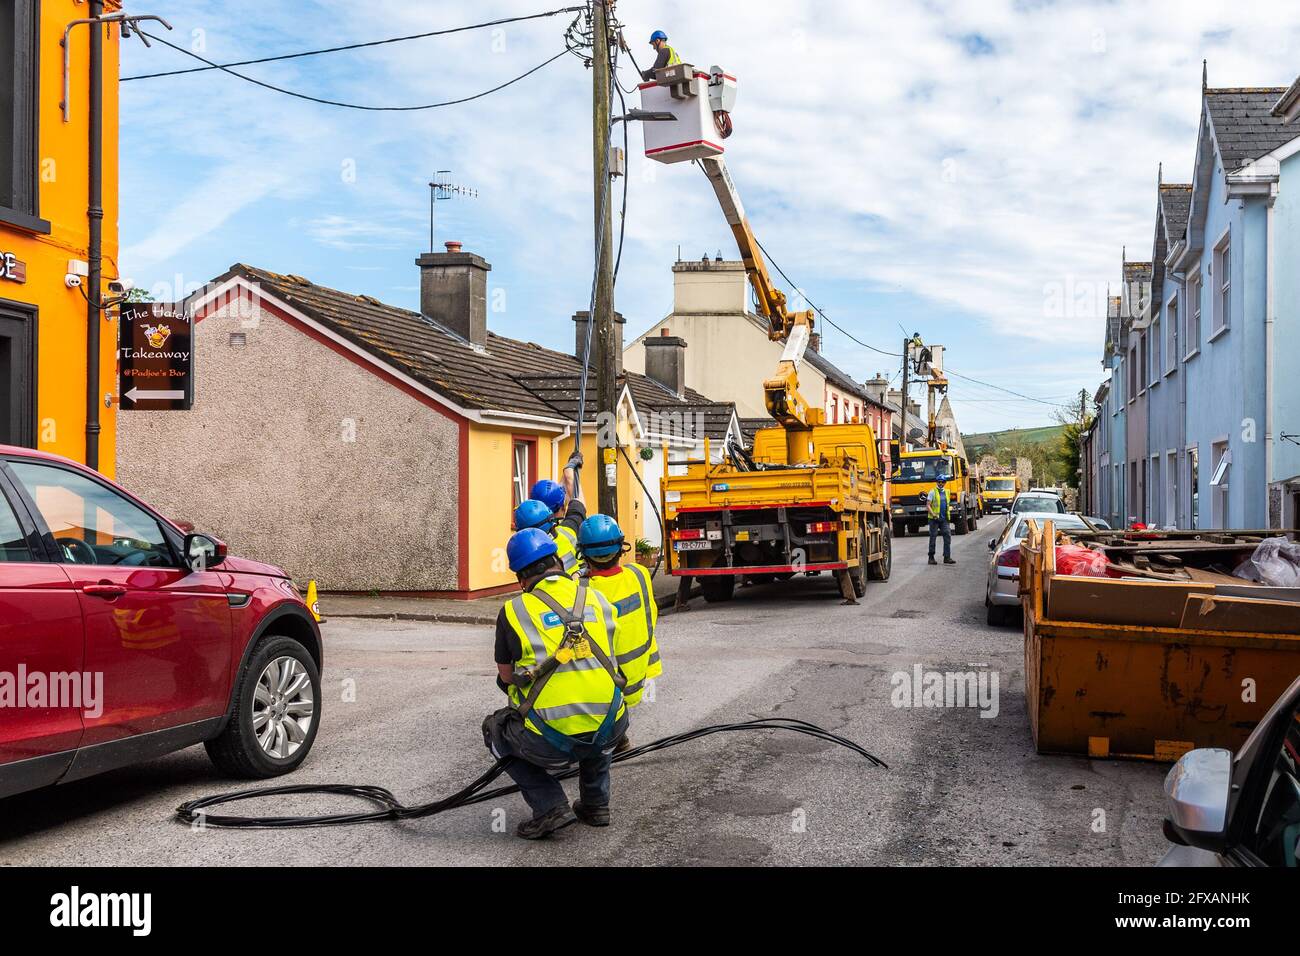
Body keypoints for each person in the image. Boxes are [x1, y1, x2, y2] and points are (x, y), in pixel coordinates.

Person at [485, 528, 629, 839]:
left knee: (495, 729)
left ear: (521, 577)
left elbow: (507, 677)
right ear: (557, 562)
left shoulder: (514, 610)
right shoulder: (597, 597)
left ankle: (550, 806)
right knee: (598, 719)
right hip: (612, 728)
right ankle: (595, 805)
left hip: (550, 742)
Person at [576, 514, 662, 753]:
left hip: (610, 677)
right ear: (620, 548)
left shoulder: (583, 591)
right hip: (640, 670)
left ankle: (610, 736)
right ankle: (619, 734)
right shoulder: (639, 574)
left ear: (583, 553)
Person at [514, 452, 585, 575]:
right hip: (573, 591)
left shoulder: (523, 548)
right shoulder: (567, 533)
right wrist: (569, 471)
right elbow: (578, 504)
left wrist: (568, 471)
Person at [927, 475, 956, 566]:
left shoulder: (947, 492)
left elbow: (947, 505)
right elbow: (928, 505)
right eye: (939, 482)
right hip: (934, 519)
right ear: (937, 482)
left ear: (945, 483)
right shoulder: (932, 492)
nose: (940, 483)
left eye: (942, 482)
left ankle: (947, 557)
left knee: (947, 537)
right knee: (933, 537)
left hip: (944, 519)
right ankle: (931, 557)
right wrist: (933, 514)